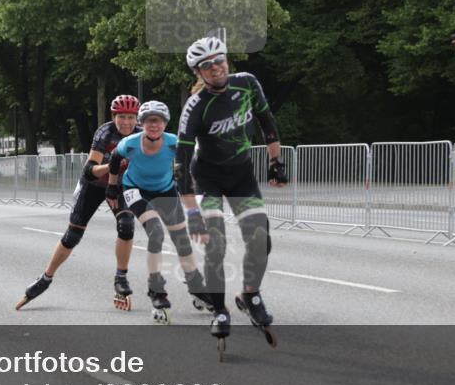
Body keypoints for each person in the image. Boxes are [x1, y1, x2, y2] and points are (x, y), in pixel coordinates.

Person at [175, 34, 288, 345]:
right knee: (216, 243)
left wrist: (276, 162)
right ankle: (219, 310)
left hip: (241, 175)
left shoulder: (248, 83)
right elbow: (181, 163)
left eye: (219, 61)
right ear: (198, 73)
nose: (215, 68)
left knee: (260, 238)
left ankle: (250, 295)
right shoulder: (195, 107)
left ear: (227, 60)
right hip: (207, 178)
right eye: (206, 66)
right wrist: (193, 212)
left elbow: (267, 121)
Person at [15, 95, 142, 311]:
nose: (127, 123)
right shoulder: (105, 133)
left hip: (119, 186)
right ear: (114, 117)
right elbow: (89, 170)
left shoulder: (141, 134)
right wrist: (112, 164)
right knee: (73, 235)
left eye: (131, 117)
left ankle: (121, 277)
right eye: (122, 117)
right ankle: (46, 278)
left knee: (127, 225)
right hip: (92, 185)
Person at [104, 100, 210, 324]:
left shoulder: (174, 144)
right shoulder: (130, 143)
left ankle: (195, 285)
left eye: (159, 121)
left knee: (181, 239)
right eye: (150, 121)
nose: (154, 126)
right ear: (142, 124)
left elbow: (185, 174)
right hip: (136, 189)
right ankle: (156, 290)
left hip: (164, 190)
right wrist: (113, 188)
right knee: (156, 232)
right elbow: (115, 159)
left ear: (165, 124)